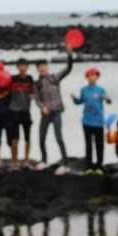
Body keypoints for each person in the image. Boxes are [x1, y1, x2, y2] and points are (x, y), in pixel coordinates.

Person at [34, 44, 74, 175]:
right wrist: (42, 107)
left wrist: (69, 55)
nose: (42, 68)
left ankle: (66, 164)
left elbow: (68, 68)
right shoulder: (37, 83)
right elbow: (37, 98)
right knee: (41, 138)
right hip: (45, 113)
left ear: (47, 66)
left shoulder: (54, 78)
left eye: (44, 66)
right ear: (38, 69)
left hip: (57, 111)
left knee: (59, 137)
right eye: (40, 67)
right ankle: (44, 160)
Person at [71, 67, 112, 174]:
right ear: (87, 77)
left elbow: (109, 101)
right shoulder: (84, 90)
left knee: (99, 145)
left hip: (98, 121)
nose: (92, 77)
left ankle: (99, 165)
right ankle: (89, 166)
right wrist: (74, 98)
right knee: (88, 144)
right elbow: (79, 101)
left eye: (95, 75)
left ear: (97, 78)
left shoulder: (101, 90)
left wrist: (107, 98)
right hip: (86, 121)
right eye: (90, 75)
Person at [9, 58, 35, 169]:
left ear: (28, 67)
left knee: (27, 137)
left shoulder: (30, 79)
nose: (23, 68)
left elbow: (34, 92)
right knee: (15, 138)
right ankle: (14, 161)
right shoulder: (12, 79)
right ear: (17, 67)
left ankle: (26, 160)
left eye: (25, 66)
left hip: (26, 111)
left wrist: (33, 96)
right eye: (21, 66)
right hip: (14, 112)